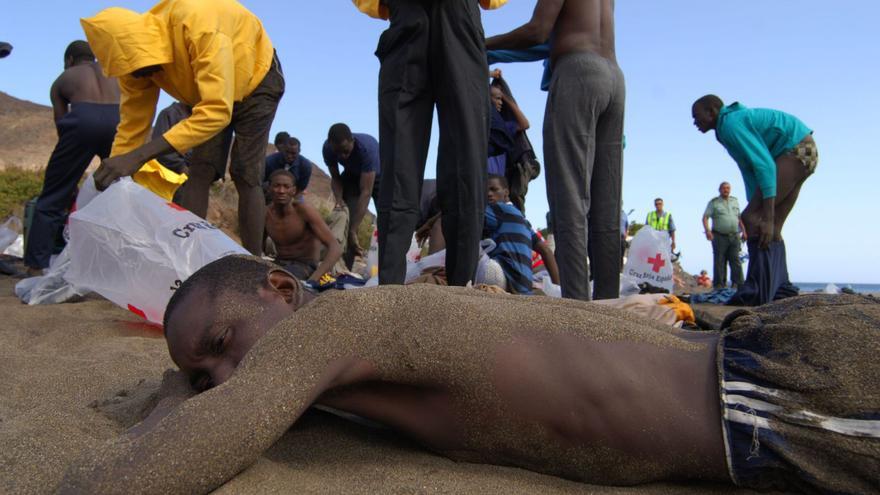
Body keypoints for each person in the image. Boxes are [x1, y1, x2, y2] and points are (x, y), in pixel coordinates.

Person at [59, 255, 880, 495]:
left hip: (787, 396)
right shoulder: (385, 333)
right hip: (768, 390)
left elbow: (199, 444)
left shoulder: (336, 321)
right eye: (204, 371)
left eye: (222, 342)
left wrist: (174, 396)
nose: (224, 373)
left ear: (281, 286)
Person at [80, 0, 285, 256]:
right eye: (134, 71)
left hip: (257, 79)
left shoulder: (198, 25)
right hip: (206, 92)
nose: (143, 76)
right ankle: (187, 255)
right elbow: (132, 129)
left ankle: (254, 263)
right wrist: (115, 173)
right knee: (200, 169)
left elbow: (217, 112)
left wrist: (138, 157)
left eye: (143, 67)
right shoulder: (134, 68)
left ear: (148, 44)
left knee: (245, 172)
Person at [354, 0, 505, 288]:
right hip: (440, 16)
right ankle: (456, 291)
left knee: (407, 159)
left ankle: (395, 290)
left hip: (416, 17)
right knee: (460, 159)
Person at [487, 0, 624, 301]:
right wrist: (492, 53)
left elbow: (538, 32)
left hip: (578, 73)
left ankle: (576, 307)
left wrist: (479, 44)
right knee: (607, 203)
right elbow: (552, 39)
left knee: (570, 197)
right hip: (613, 78)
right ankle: (608, 303)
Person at [692, 95, 817, 305]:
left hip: (796, 149)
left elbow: (764, 165)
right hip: (806, 150)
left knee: (754, 218)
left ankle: (757, 290)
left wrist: (763, 215)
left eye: (697, 117)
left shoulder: (730, 125)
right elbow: (750, 171)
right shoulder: (728, 126)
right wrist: (759, 209)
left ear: (712, 111)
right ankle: (780, 289)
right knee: (772, 227)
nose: (695, 123)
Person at [24, 40, 119, 276]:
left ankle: (36, 266)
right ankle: (120, 266)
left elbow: (61, 126)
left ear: (69, 60)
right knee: (122, 192)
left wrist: (67, 175)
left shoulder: (63, 79)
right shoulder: (113, 73)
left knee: (52, 198)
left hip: (81, 123)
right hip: (119, 120)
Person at [264, 170, 341, 286]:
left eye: (286, 187)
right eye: (276, 186)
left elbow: (335, 247)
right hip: (278, 262)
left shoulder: (303, 211)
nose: (281, 191)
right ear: (269, 189)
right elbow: (256, 245)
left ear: (293, 191)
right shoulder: (266, 213)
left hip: (304, 265)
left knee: (278, 283)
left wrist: (312, 280)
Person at [484, 175, 559, 294]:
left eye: (494, 189)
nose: (489, 194)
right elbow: (546, 251)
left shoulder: (496, 209)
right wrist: (558, 288)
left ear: (506, 193)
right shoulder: (524, 220)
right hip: (524, 287)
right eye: (485, 191)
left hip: (502, 277)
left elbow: (466, 214)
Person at [322, 123, 380, 270]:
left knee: (386, 222)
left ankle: (386, 270)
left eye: (346, 151)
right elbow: (335, 178)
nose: (343, 156)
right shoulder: (328, 149)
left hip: (380, 178)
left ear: (352, 140)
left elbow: (366, 192)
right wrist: (339, 200)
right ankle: (342, 269)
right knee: (347, 217)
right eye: (338, 153)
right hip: (352, 175)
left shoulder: (367, 149)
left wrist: (354, 229)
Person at [490, 72, 539, 213]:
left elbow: (524, 124)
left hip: (498, 178)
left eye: (502, 100)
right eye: (497, 99)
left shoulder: (504, 127)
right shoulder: (483, 125)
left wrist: (506, 97)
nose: (501, 102)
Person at [702, 181, 746, 289]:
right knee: (720, 261)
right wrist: (707, 231)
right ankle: (719, 285)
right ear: (720, 190)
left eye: (728, 188)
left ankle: (738, 284)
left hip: (734, 236)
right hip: (719, 236)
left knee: (735, 260)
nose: (726, 190)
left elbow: (739, 218)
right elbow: (705, 217)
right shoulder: (714, 203)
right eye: (724, 188)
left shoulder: (734, 201)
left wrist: (744, 231)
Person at [151, 102, 193, 174]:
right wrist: (182, 168)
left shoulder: (201, 119)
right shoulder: (169, 113)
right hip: (168, 175)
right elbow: (160, 149)